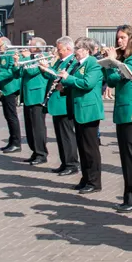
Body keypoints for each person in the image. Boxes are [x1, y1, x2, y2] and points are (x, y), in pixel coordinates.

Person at [103, 26, 132, 212]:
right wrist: (109, 63)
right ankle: (128, 197)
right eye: (118, 38)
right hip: (122, 113)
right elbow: (112, 81)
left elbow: (121, 76)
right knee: (125, 158)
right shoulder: (125, 59)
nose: (119, 41)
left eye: (122, 37)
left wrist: (112, 61)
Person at [57, 37, 105, 194]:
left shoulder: (93, 63)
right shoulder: (78, 64)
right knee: (82, 148)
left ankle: (94, 181)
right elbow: (75, 83)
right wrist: (63, 87)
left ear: (86, 49)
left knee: (90, 149)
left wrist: (68, 78)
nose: (75, 51)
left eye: (77, 48)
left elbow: (87, 84)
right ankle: (86, 178)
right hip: (78, 110)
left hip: (89, 111)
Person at [46, 36, 79, 176]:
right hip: (56, 102)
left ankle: (71, 163)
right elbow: (52, 76)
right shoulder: (60, 61)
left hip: (64, 102)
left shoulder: (73, 62)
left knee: (67, 135)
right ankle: (64, 162)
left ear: (68, 48)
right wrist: (45, 68)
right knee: (60, 135)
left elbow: (69, 79)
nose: (57, 52)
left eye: (60, 49)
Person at [20, 38, 50, 165]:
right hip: (28, 96)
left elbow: (32, 71)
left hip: (37, 96)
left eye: (30, 44)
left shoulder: (43, 57)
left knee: (38, 127)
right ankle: (34, 151)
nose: (27, 46)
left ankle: (41, 153)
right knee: (29, 126)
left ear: (37, 47)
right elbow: (21, 71)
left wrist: (26, 59)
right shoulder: (31, 57)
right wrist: (18, 60)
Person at [0, 38, 22, 153]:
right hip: (5, 88)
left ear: (5, 45)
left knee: (11, 116)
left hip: (11, 88)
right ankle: (12, 141)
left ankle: (16, 143)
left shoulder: (11, 53)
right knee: (8, 116)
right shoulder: (5, 54)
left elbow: (12, 71)